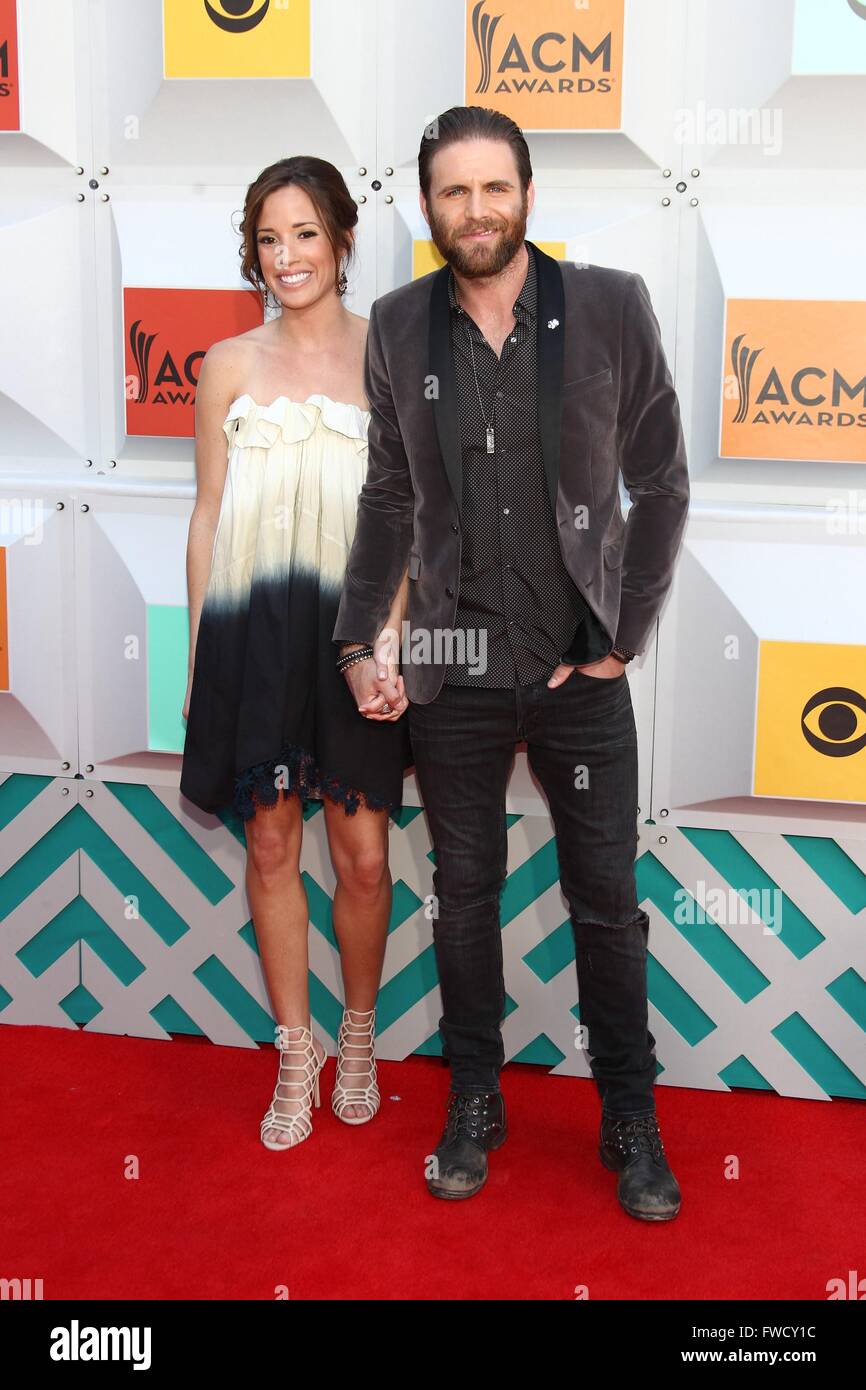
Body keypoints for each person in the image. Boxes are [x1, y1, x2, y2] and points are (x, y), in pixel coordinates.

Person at [334, 107, 690, 1220]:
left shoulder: (607, 306)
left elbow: (661, 482)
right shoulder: (396, 327)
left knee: (604, 904)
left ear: (527, 193)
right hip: (451, 657)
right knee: (465, 898)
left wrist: (621, 633)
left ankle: (627, 1113)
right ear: (427, 207)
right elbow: (390, 495)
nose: (475, 211)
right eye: (452, 193)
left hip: (577, 664)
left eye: (494, 189)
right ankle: (474, 1098)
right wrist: (357, 637)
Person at [180, 156, 412, 1151]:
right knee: (270, 844)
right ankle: (295, 1048)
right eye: (269, 239)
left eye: (305, 234)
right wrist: (201, 657)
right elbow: (204, 514)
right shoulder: (226, 365)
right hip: (254, 641)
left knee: (360, 859)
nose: (287, 257)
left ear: (343, 242)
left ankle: (356, 1036)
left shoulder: (390, 358)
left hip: (355, 643)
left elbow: (409, 516)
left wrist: (389, 636)